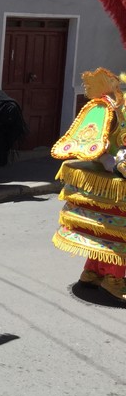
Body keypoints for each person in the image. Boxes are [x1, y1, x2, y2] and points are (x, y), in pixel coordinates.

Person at [52, 68, 126, 300]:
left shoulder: (112, 104)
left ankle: (93, 272)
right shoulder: (110, 105)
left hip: (109, 171)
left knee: (105, 230)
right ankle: (114, 279)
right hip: (114, 173)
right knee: (117, 232)